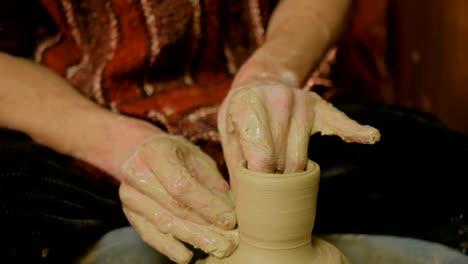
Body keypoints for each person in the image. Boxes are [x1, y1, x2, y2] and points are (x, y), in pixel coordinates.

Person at [0, 0, 380, 263]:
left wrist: (274, 70)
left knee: (429, 169)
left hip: (274, 96)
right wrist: (114, 142)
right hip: (71, 108)